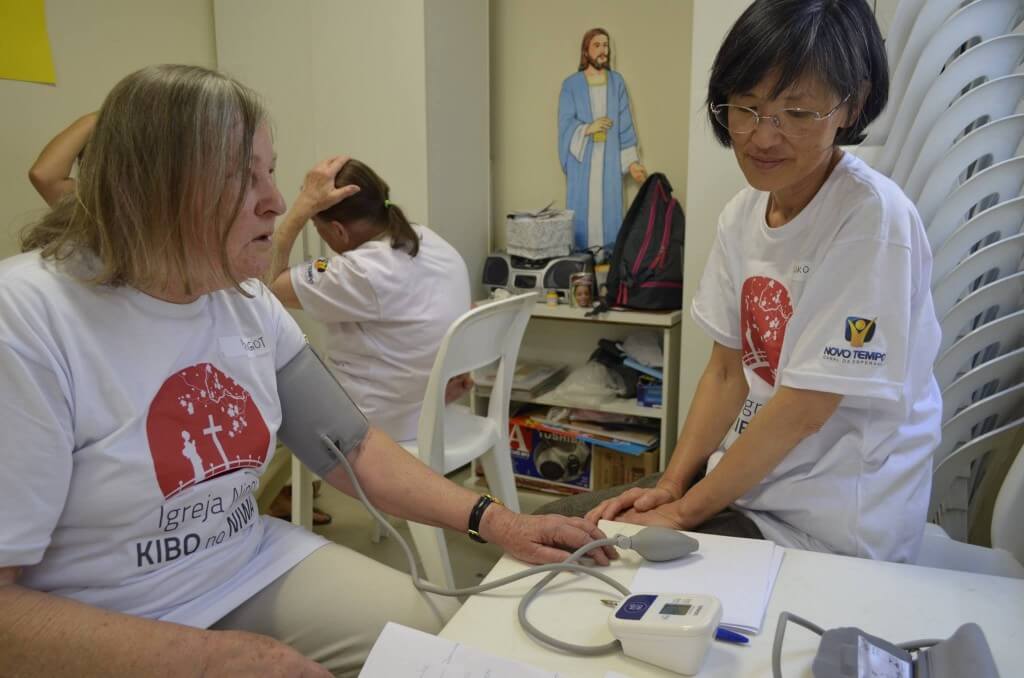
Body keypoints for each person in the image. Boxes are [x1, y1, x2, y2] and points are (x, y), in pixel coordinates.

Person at [0, 64, 617, 677]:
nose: (275, 203)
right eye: (246, 178)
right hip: (100, 619)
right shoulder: (27, 319)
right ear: (156, 186)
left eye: (270, 172)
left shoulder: (243, 299)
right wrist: (206, 660)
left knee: (437, 643)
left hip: (244, 566)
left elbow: (351, 446)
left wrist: (500, 522)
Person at [540, 0, 942, 564]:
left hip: (826, 529)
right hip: (747, 490)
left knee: (596, 565)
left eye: (796, 112)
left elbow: (805, 408)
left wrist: (681, 512)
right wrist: (672, 484)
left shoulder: (873, 220)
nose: (762, 136)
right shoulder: (742, 214)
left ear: (849, 105)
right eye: (746, 108)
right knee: (547, 531)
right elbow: (727, 372)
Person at [267, 157, 472, 444]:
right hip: (432, 407)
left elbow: (267, 281)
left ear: (338, 230)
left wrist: (301, 208)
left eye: (318, 227)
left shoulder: (360, 272)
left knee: (271, 382)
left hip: (380, 424)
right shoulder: (430, 240)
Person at [558, 28, 647, 251]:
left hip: (609, 164)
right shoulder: (571, 85)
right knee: (581, 226)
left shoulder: (617, 83)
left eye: (605, 45)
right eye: (597, 45)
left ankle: (610, 276)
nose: (603, 50)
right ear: (586, 51)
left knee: (610, 222)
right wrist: (589, 127)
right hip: (583, 164)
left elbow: (625, 124)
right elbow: (565, 124)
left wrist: (632, 163)